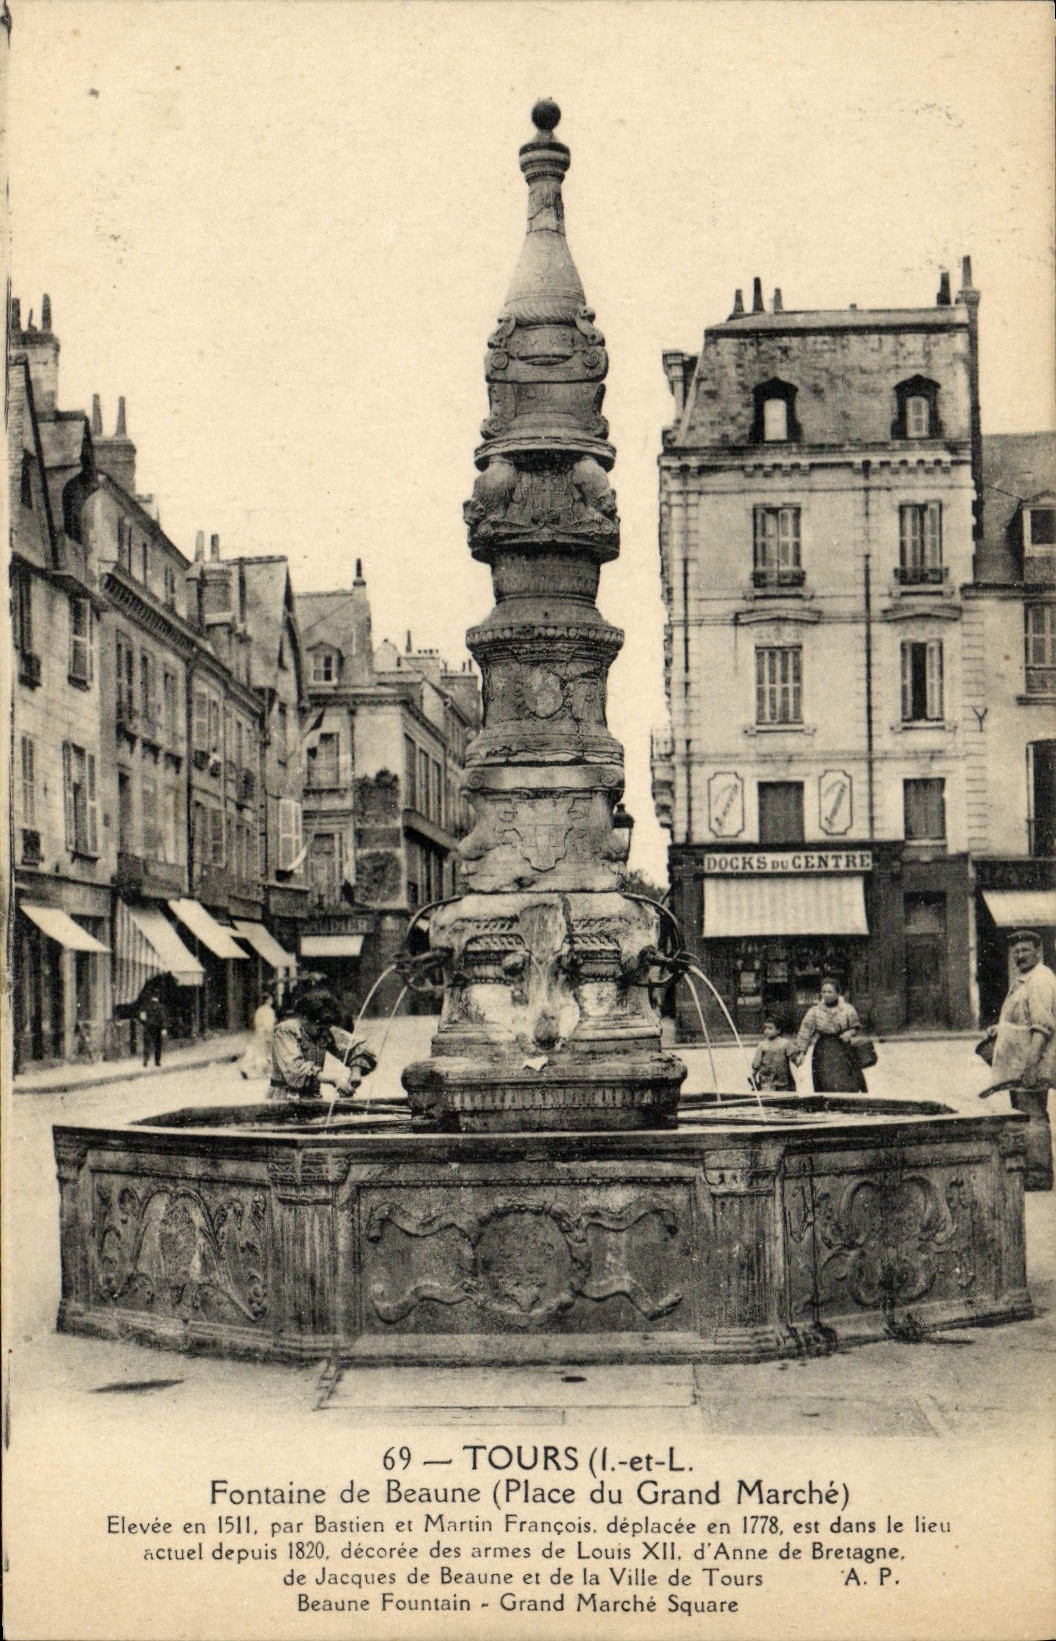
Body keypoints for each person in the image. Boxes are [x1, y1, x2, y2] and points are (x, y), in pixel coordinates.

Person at [981, 929, 1056, 1190]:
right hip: (1020, 1065)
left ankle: (1038, 1175)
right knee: (1025, 1116)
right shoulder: (1025, 979)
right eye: (1016, 951)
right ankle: (1030, 1172)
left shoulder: (1040, 980)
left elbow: (1043, 1026)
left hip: (1030, 1063)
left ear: (1038, 951)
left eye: (1025, 950)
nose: (1020, 955)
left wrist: (1032, 1064)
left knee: (1034, 1117)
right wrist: (1000, 1028)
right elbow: (1022, 1018)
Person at [268, 987, 377, 1103]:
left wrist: (356, 1073)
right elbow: (295, 1069)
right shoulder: (285, 1031)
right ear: (305, 1019)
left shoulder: (323, 1030)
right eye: (319, 1028)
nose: (324, 1032)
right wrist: (334, 1080)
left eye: (326, 1028)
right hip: (284, 1098)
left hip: (313, 1098)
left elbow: (357, 1046)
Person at [792, 977, 867, 1093]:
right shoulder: (815, 1011)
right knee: (825, 1080)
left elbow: (856, 1027)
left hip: (843, 1048)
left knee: (847, 1079)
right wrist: (801, 1052)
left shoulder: (847, 1009)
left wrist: (849, 1033)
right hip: (823, 1050)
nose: (826, 995)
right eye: (823, 992)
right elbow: (805, 1032)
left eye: (830, 992)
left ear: (837, 993)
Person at [239, 991, 277, 1080]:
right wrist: (270, 1035)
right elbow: (269, 1025)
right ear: (267, 1000)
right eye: (270, 999)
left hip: (258, 1033)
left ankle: (245, 1067)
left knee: (256, 1052)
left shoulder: (259, 1010)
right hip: (265, 1034)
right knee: (264, 1054)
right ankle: (263, 1072)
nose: (272, 1001)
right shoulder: (269, 1011)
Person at [750, 1018, 796, 1092]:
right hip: (767, 1080)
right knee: (767, 1096)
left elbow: (794, 1058)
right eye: (765, 1028)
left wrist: (799, 1055)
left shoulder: (785, 1043)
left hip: (783, 1080)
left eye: (770, 1028)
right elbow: (756, 1063)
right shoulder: (762, 1045)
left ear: (778, 1030)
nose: (767, 1031)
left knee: (785, 1097)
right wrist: (753, 1075)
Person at [138, 987, 167, 1068]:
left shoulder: (146, 1006)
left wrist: (144, 1023)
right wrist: (164, 1028)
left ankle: (145, 1060)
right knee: (158, 1045)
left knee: (147, 1044)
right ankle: (157, 1061)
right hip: (157, 1028)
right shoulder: (160, 1007)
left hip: (148, 1026)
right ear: (158, 997)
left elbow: (141, 1016)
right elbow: (163, 1018)